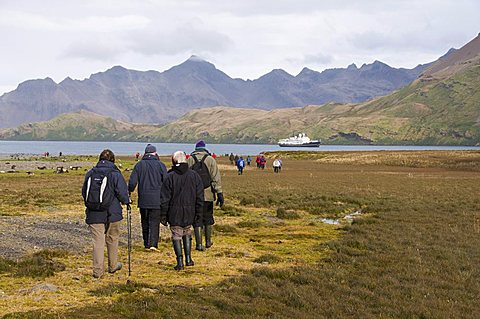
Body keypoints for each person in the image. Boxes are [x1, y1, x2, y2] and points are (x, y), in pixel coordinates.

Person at [82, 149, 130, 279]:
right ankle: (113, 265)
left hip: (93, 212)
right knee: (112, 238)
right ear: (113, 160)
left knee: (98, 241)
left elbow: (84, 192)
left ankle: (98, 271)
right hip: (112, 212)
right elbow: (122, 192)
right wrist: (127, 201)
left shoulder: (90, 173)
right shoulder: (115, 174)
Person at [160, 151, 204, 270]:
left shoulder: (170, 177)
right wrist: (199, 213)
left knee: (176, 234)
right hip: (190, 211)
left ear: (174, 161)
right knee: (187, 231)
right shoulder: (194, 176)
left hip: (174, 212)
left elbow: (164, 199)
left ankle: (180, 262)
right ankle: (188, 259)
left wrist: (163, 215)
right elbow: (200, 197)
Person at [128, 144, 167, 251]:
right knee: (154, 222)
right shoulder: (161, 165)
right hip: (157, 199)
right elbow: (166, 182)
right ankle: (153, 244)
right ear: (155, 153)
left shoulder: (139, 165)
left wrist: (129, 192)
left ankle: (146, 243)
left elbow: (132, 182)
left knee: (144, 222)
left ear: (145, 153)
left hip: (144, 199)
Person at [187, 140, 224, 251]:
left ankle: (199, 244)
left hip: (194, 195)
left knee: (197, 218)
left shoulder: (189, 159)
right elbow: (215, 178)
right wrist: (219, 193)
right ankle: (208, 241)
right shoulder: (210, 160)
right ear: (204, 148)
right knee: (208, 217)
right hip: (208, 194)